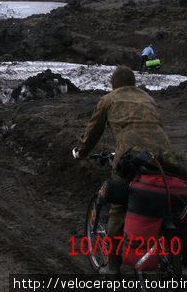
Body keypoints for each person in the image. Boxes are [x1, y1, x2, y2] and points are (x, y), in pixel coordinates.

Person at [75, 65, 171, 275]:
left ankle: (113, 266)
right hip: (164, 157)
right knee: (162, 198)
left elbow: (93, 132)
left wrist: (81, 152)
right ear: (134, 84)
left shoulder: (109, 99)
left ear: (113, 85)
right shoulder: (148, 99)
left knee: (118, 206)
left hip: (131, 158)